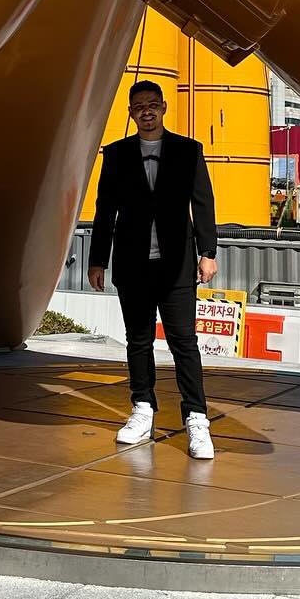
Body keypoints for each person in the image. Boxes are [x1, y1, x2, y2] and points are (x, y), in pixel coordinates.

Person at [87, 79, 219, 458]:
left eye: (152, 105)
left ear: (163, 108)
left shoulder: (188, 151)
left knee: (184, 342)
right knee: (138, 341)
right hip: (132, 264)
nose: (146, 112)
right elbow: (104, 211)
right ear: (131, 114)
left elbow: (203, 203)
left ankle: (196, 418)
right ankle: (142, 408)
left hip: (177, 265)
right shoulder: (115, 155)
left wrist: (207, 252)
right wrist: (98, 259)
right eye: (138, 107)